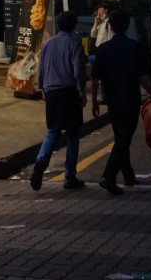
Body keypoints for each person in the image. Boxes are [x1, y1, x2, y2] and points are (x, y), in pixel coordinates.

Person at [90, 9, 151, 195]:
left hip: (112, 100)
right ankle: (108, 176)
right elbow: (141, 76)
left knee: (120, 138)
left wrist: (94, 102)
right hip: (130, 99)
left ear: (109, 26)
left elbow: (95, 78)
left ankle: (128, 175)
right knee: (124, 139)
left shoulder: (103, 49)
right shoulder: (135, 47)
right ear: (127, 26)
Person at [30, 10, 87, 191]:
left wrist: (42, 87)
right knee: (72, 135)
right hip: (69, 92)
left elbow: (41, 67)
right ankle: (70, 176)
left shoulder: (47, 44)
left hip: (52, 92)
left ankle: (40, 161)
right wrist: (82, 92)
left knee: (52, 132)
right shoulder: (75, 44)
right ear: (73, 26)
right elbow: (78, 71)